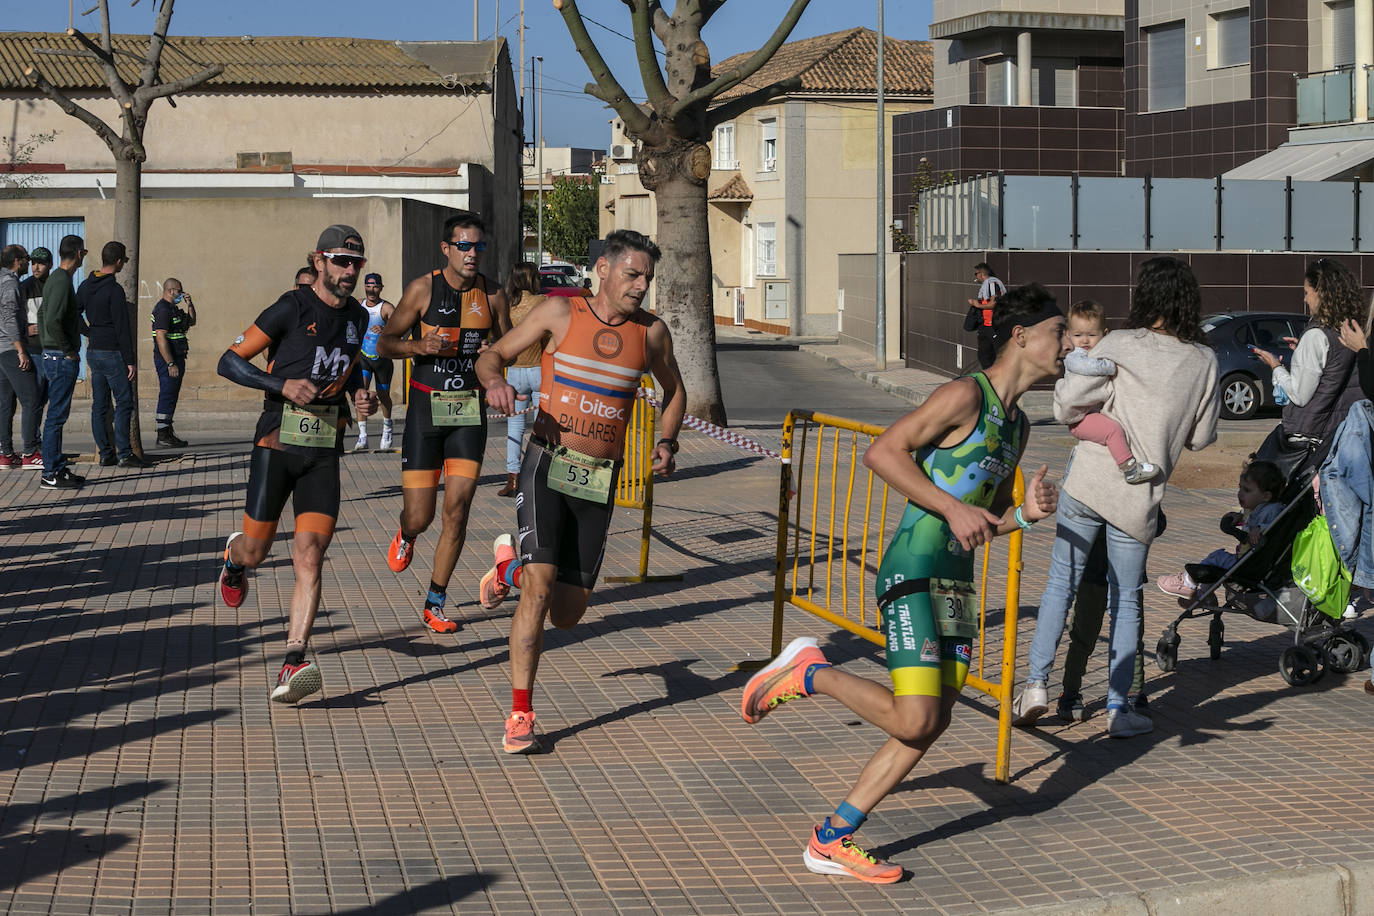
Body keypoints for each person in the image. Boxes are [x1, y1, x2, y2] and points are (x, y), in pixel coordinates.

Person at [738, 283, 1063, 883]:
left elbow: (982, 520)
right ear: (1022, 335)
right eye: (1059, 332)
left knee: (930, 722)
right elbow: (884, 453)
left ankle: (830, 840)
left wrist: (1025, 516)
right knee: (914, 719)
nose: (1068, 345)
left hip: (956, 586)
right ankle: (809, 672)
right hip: (912, 570)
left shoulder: (1017, 426)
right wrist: (951, 507)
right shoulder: (966, 394)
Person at [473, 228, 686, 755]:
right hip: (547, 465)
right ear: (603, 270)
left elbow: (675, 390)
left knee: (567, 614)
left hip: (598, 479)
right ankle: (520, 713)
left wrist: (667, 441)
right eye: (633, 275)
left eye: (647, 278)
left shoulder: (651, 333)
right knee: (539, 591)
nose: (641, 286)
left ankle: (508, 567)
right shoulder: (560, 313)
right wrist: (496, 382)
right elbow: (492, 356)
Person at [1012, 256, 1219, 739]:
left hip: (1088, 482)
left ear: (1145, 296)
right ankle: (1118, 708)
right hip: (1138, 497)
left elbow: (1066, 405)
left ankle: (1036, 685)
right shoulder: (1204, 360)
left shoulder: (1119, 343)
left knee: (1060, 585)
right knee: (1126, 601)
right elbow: (1201, 438)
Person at [216, 224, 376, 703]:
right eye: (341, 261)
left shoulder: (358, 318)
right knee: (257, 551)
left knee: (310, 555)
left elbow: (348, 373)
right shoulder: (291, 307)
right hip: (276, 445)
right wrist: (281, 385)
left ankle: (294, 659)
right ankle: (234, 560)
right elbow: (229, 361)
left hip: (324, 450)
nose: (350, 271)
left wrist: (360, 397)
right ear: (319, 261)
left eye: (356, 263)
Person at [377, 211, 511, 634]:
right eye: (464, 246)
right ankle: (407, 533)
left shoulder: (494, 294)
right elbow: (384, 344)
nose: (472, 254)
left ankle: (435, 601)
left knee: (457, 510)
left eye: (478, 246)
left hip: (468, 415)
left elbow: (509, 344)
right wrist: (418, 346)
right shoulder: (423, 288)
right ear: (446, 248)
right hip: (425, 414)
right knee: (421, 516)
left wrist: (496, 353)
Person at [1253, 258, 1365, 473]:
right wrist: (1303, 354)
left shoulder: (1316, 335)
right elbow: (1336, 370)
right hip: (1339, 432)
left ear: (1321, 293)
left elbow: (1299, 395)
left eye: (1306, 292)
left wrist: (1275, 366)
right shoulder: (1351, 331)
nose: (1305, 299)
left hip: (1309, 437)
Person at [1155, 460, 1284, 601]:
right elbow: (1250, 519)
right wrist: (1238, 518)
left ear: (1266, 496)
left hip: (1252, 565)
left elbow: (1275, 525)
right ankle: (1204, 595)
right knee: (1215, 565)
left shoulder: (1273, 509)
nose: (1240, 493)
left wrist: (1260, 529)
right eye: (1240, 487)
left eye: (1246, 490)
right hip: (1246, 559)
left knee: (1216, 558)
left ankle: (1188, 583)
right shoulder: (1255, 507)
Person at [1063, 300, 1160, 485]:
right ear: (1068, 334)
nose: (1084, 340)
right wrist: (1110, 366)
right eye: (1077, 335)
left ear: (1105, 334)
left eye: (1092, 335)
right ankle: (1130, 468)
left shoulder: (1098, 352)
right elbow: (1086, 367)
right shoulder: (1074, 356)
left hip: (1088, 414)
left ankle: (1071, 472)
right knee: (1113, 430)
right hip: (1079, 418)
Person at [78, 241, 145, 469]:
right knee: (124, 402)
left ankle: (106, 454)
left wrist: (88, 331)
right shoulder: (114, 290)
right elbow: (122, 327)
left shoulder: (86, 285)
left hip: (93, 351)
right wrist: (130, 361)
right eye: (123, 261)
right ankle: (124, 453)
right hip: (112, 353)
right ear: (118, 262)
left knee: (100, 404)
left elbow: (73, 312)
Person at [36, 234, 87, 490]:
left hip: (55, 354)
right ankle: (50, 473)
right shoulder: (61, 281)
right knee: (56, 417)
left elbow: (43, 314)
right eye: (83, 253)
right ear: (78, 253)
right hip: (59, 357)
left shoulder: (58, 279)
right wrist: (67, 350)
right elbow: (52, 319)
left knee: (57, 415)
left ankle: (56, 466)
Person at [497, 262, 548, 497]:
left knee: (514, 427)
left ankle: (513, 479)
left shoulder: (508, 305)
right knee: (541, 429)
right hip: (540, 369)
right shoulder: (543, 302)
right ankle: (538, 477)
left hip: (515, 371)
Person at [0, 245, 43, 471]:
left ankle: (6, 454)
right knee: (32, 398)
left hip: (2, 350)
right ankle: (29, 453)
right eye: (27, 258)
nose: (30, 262)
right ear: (18, 261)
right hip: (10, 349)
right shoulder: (10, 284)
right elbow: (8, 317)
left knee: (6, 402)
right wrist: (20, 349)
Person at [150, 278, 196, 448]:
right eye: (179, 291)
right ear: (170, 291)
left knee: (172, 394)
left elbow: (191, 322)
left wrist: (190, 305)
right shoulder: (163, 310)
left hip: (177, 357)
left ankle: (167, 431)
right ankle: (163, 434)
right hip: (168, 360)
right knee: (167, 394)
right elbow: (161, 338)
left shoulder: (173, 309)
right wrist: (170, 363)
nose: (181, 294)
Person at [353, 273, 396, 451]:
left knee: (383, 395)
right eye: (369, 286)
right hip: (363, 357)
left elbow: (401, 328)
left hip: (382, 360)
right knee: (361, 395)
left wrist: (385, 328)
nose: (372, 290)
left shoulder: (386, 308)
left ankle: (387, 430)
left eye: (375, 286)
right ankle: (362, 436)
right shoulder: (358, 304)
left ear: (381, 288)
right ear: (364, 286)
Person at [21, 246, 51, 424]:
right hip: (33, 350)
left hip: (52, 350)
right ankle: (32, 437)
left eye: (41, 263)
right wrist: (26, 329)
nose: (36, 267)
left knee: (46, 397)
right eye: (33, 263)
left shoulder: (54, 286)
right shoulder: (25, 287)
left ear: (50, 264)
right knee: (35, 398)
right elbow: (12, 317)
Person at [962, 262, 1006, 370]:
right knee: (983, 355)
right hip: (985, 325)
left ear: (981, 274)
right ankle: (988, 375)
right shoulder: (986, 284)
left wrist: (977, 304)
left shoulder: (992, 283)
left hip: (994, 325)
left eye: (976, 274)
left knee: (996, 355)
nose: (975, 276)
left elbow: (994, 304)